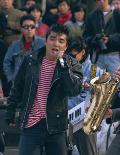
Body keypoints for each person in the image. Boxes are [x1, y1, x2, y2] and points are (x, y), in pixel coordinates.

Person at [5, 24, 83, 155]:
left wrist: (63, 68)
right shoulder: (31, 60)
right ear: (46, 41)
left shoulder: (72, 64)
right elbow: (17, 88)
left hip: (56, 125)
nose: (56, 44)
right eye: (52, 39)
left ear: (66, 46)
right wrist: (10, 111)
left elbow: (74, 90)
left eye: (61, 41)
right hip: (31, 123)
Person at [67, 37, 102, 155]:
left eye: (72, 55)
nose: (68, 58)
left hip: (85, 122)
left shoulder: (95, 71)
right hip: (64, 120)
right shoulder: (63, 67)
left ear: (82, 53)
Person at [83, 0, 120, 73]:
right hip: (97, 55)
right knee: (95, 81)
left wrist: (110, 39)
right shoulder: (91, 16)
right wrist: (96, 40)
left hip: (115, 54)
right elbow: (86, 36)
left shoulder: (118, 14)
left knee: (119, 82)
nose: (101, 1)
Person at [3, 15, 45, 86]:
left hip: (37, 83)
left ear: (35, 28)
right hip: (18, 84)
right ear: (21, 29)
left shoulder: (43, 43)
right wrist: (11, 78)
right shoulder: (14, 45)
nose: (29, 29)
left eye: (32, 27)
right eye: (26, 27)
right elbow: (7, 62)